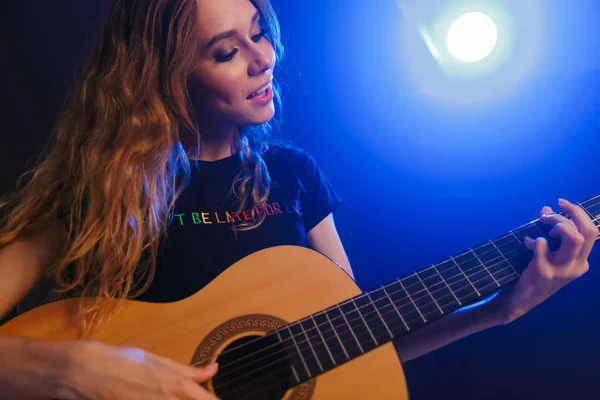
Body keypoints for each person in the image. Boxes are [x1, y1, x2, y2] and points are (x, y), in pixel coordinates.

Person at [0, 0, 596, 399]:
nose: (263, 58)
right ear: (161, 78)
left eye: (259, 32)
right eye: (226, 52)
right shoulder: (101, 187)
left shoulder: (294, 175)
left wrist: (500, 310)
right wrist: (73, 370)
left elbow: (356, 341)